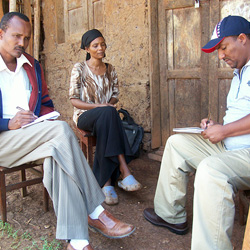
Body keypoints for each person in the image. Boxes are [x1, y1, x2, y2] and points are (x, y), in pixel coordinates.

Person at [0, 12, 136, 250]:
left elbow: (45, 104)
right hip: (4, 141)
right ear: (1, 34)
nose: (23, 43)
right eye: (17, 36)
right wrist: (6, 123)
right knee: (62, 132)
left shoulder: (32, 66)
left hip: (32, 136)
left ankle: (78, 242)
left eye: (27, 38)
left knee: (57, 154)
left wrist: (43, 117)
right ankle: (95, 209)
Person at [143, 15, 250, 250]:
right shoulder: (240, 71)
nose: (220, 56)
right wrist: (216, 127)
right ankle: (171, 215)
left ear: (242, 39)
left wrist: (224, 130)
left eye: (223, 47)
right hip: (230, 145)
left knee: (210, 171)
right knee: (176, 143)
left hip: (246, 153)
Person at [69, 29, 142, 205]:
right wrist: (101, 106)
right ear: (87, 49)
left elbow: (116, 94)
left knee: (108, 115)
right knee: (109, 113)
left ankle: (106, 183)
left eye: (102, 44)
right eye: (95, 45)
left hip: (106, 118)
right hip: (85, 115)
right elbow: (74, 100)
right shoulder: (79, 69)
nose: (100, 48)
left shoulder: (110, 69)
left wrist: (109, 103)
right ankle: (124, 171)